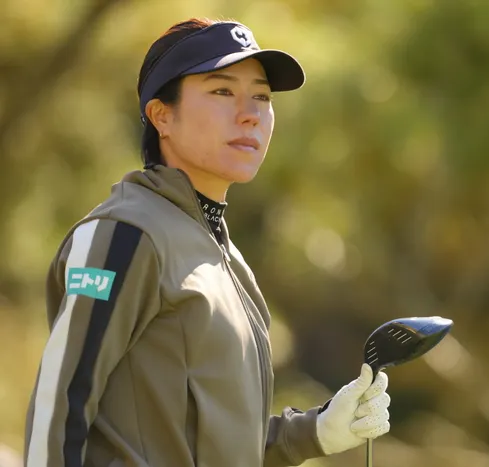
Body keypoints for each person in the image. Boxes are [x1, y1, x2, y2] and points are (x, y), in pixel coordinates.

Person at [23, 17, 391, 467]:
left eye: (261, 96)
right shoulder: (122, 234)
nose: (250, 113)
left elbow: (213, 443)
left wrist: (316, 432)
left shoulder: (225, 255)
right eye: (222, 91)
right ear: (162, 116)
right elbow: (58, 414)